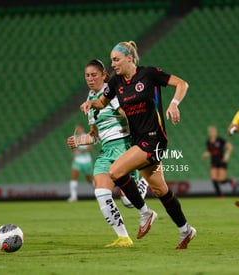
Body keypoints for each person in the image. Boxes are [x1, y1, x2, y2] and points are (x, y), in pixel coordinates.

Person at [80, 41, 196, 249]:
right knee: (160, 190)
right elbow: (102, 103)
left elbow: (182, 84)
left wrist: (174, 104)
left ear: (129, 59)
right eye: (112, 60)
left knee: (115, 171)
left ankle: (146, 213)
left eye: (116, 59)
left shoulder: (149, 74)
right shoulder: (116, 83)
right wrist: (91, 103)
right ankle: (186, 229)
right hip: (138, 140)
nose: (113, 64)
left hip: (154, 138)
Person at [67, 59, 150, 247]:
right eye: (87, 75)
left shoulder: (112, 93)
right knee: (101, 192)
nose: (90, 79)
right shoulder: (90, 100)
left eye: (94, 75)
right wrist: (79, 141)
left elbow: (128, 114)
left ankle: (143, 180)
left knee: (129, 202)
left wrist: (138, 134)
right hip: (106, 152)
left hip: (123, 148)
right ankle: (123, 238)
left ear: (104, 75)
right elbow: (94, 136)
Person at [202, 125, 235, 197]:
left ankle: (230, 181)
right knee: (214, 179)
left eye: (213, 131)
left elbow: (230, 147)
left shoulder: (220, 140)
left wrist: (226, 156)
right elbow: (209, 151)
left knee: (221, 180)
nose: (211, 133)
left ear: (216, 132)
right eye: (210, 132)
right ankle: (220, 195)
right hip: (213, 161)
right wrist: (205, 155)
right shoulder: (208, 142)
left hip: (221, 161)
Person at [67, 124, 94, 202]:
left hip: (86, 161)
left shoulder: (86, 136)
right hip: (77, 160)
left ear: (82, 129)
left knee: (89, 179)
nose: (77, 130)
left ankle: (98, 192)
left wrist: (79, 151)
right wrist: (74, 152)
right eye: (77, 129)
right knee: (73, 177)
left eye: (79, 129)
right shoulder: (75, 137)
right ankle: (73, 196)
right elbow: (74, 148)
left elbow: (89, 148)